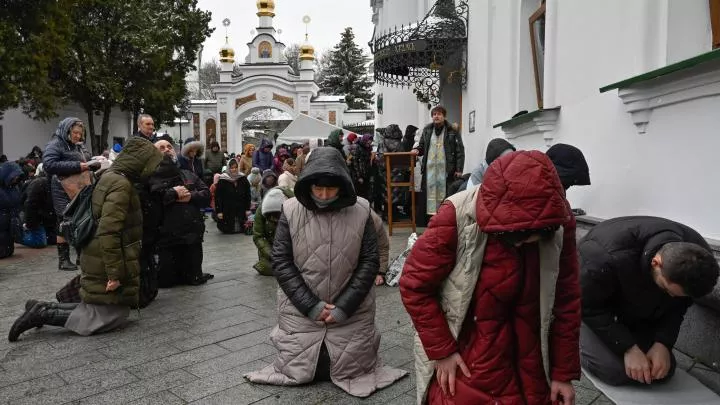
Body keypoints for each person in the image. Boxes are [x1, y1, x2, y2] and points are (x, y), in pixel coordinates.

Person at [400, 150, 580, 405]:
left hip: (532, 353)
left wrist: (563, 372)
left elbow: (567, 299)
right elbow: (414, 285)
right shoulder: (458, 214)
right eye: (517, 236)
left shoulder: (560, 220)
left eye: (533, 237)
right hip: (467, 347)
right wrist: (442, 351)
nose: (523, 245)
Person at [245, 147, 407, 396]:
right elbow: (281, 261)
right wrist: (311, 305)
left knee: (347, 365)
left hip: (352, 309)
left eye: (330, 189)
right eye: (317, 188)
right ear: (307, 184)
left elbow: (369, 260)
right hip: (300, 309)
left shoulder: (362, 210)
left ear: (342, 185)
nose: (323, 195)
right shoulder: (290, 209)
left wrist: (344, 306)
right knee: (307, 366)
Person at [8, 137, 163, 342]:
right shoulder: (121, 185)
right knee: (107, 316)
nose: (153, 170)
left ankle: (42, 307)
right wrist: (114, 274)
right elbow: (109, 231)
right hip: (104, 256)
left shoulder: (111, 177)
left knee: (102, 309)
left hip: (98, 252)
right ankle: (43, 313)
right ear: (140, 162)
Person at [579, 216, 719, 386]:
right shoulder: (602, 256)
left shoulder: (699, 257)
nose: (673, 297)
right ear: (656, 263)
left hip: (635, 308)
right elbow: (588, 305)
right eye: (667, 290)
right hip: (587, 308)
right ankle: (568, 341)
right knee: (614, 372)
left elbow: (678, 307)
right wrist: (627, 348)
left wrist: (663, 343)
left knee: (659, 370)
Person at [150, 140, 213, 286]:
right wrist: (173, 194)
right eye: (161, 148)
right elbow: (152, 200)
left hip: (191, 236)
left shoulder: (187, 174)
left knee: (193, 279)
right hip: (166, 239)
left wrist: (191, 196)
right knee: (167, 281)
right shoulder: (150, 177)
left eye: (169, 147)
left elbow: (206, 194)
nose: (166, 150)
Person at [43, 117, 96, 271]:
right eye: (75, 133)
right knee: (64, 221)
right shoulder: (56, 144)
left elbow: (84, 161)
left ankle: (81, 256)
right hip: (61, 187)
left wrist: (93, 161)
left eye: (80, 133)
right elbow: (49, 164)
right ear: (67, 131)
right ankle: (63, 260)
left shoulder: (77, 145)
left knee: (80, 218)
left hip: (78, 186)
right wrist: (79, 166)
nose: (78, 136)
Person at [252, 186, 294, 276]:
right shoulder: (261, 211)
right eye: (271, 217)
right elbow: (258, 236)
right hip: (271, 249)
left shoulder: (295, 206)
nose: (275, 220)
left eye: (277, 216)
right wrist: (271, 254)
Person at [22, 164, 57, 247]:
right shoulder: (39, 184)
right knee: (40, 242)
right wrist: (30, 224)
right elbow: (30, 205)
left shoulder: (50, 183)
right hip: (38, 219)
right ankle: (18, 236)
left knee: (54, 240)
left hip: (47, 219)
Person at [215, 159, 251, 235]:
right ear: (228, 168)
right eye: (231, 168)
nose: (234, 169)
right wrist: (219, 211)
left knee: (241, 226)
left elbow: (248, 194)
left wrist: (247, 208)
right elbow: (218, 196)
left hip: (241, 207)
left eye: (235, 167)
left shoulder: (243, 178)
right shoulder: (223, 179)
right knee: (228, 228)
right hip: (227, 209)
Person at [0, 163, 24, 259]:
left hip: (9, 222)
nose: (15, 179)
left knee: (7, 242)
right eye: (14, 177)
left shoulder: (14, 187)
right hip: (3, 220)